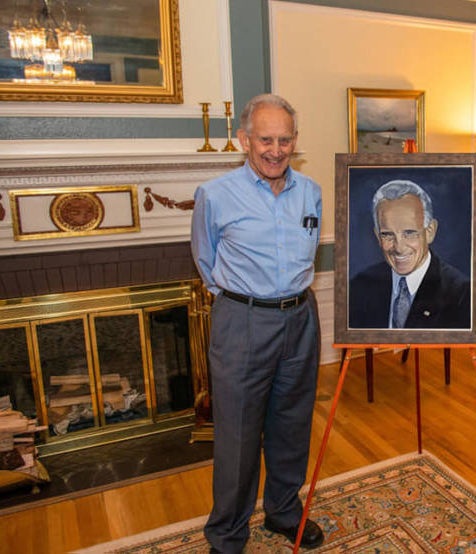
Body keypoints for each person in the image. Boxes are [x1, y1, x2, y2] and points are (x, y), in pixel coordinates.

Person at [191, 93, 324, 553]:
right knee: (238, 435)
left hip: (301, 320)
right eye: (265, 139)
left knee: (292, 425)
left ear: (294, 142)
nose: (275, 149)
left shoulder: (310, 191)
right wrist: (246, 301)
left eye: (284, 139)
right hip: (242, 321)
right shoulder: (215, 194)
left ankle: (285, 512)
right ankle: (227, 535)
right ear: (243, 139)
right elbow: (206, 263)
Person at [348, 179, 471, 329]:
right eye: (387, 234)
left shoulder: (462, 294)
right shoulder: (359, 287)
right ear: (377, 236)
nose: (399, 247)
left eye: (409, 233)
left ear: (430, 232)